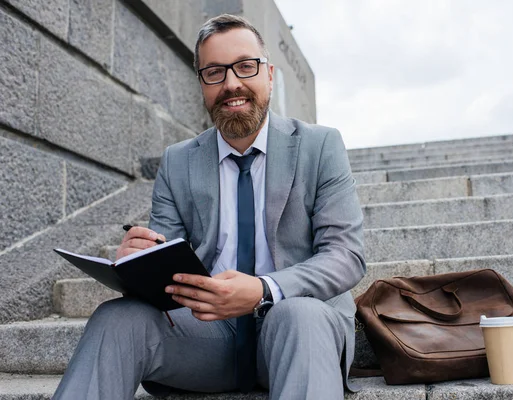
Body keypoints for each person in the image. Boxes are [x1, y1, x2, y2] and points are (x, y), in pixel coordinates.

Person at [54, 14, 365, 400]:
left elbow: (346, 256)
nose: (231, 83)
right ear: (201, 83)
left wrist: (263, 289)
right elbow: (165, 258)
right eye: (214, 72)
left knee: (297, 315)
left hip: (300, 333)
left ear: (269, 74)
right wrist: (136, 263)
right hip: (207, 336)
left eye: (245, 67)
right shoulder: (178, 161)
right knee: (117, 318)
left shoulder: (321, 146)